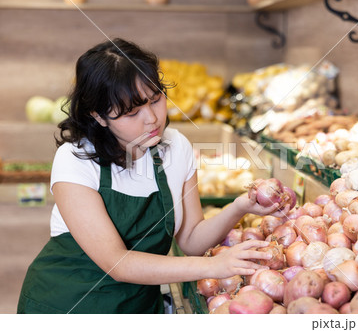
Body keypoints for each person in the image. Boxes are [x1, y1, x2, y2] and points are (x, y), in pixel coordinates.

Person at [17, 38, 289, 314]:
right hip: (69, 306)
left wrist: (241, 206)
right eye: (132, 112)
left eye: (156, 99)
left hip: (139, 308)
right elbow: (117, 263)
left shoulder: (176, 146)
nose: (151, 118)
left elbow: (191, 239)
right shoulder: (75, 159)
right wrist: (213, 266)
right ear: (98, 116)